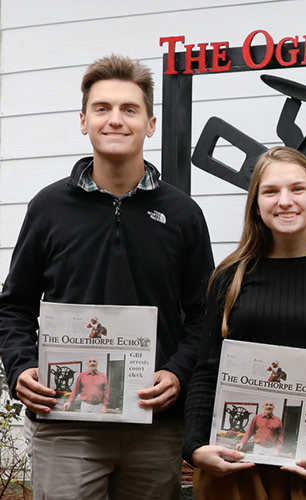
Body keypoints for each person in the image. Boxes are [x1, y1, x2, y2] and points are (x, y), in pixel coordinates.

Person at [0, 54, 213, 500]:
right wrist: (21, 367)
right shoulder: (48, 208)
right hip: (67, 426)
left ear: (150, 124)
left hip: (153, 427)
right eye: (102, 108)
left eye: (129, 109)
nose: (115, 120)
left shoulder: (183, 214)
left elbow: (204, 315)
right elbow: (14, 306)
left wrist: (177, 372)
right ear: (83, 121)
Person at [184, 146, 306, 499]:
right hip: (235, 453)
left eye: (297, 189)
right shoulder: (229, 276)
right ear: (256, 206)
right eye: (271, 191)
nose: (285, 201)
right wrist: (194, 448)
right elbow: (206, 371)